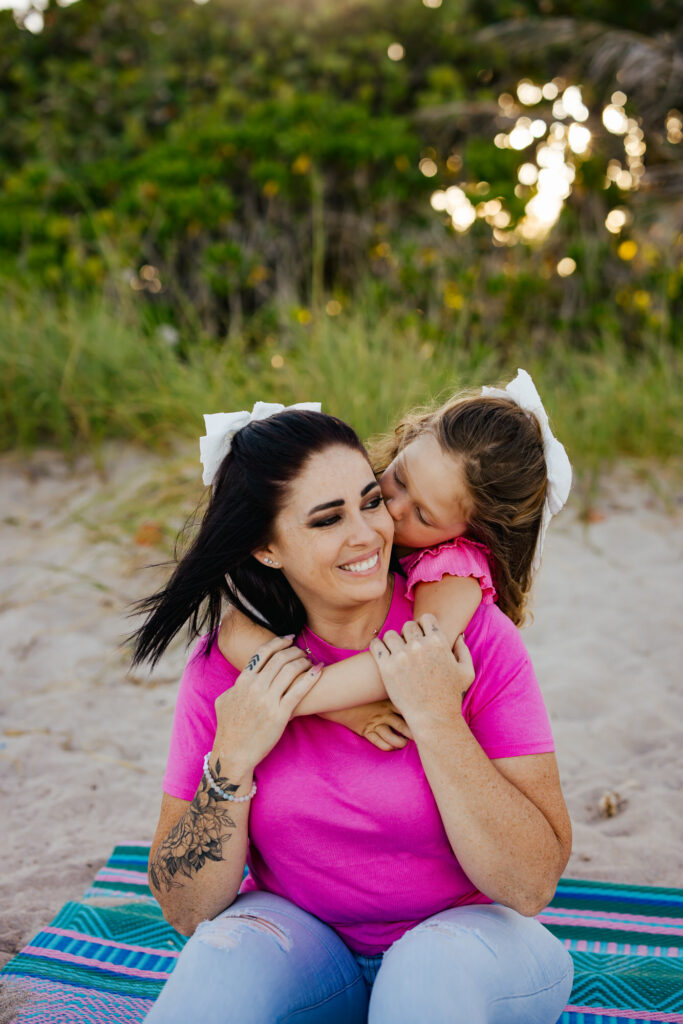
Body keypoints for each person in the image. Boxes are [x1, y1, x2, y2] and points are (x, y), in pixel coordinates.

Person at [133, 405, 573, 1023]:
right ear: (266, 546)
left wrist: (438, 719)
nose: (371, 531)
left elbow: (532, 884)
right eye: (327, 519)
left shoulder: (467, 636)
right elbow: (184, 910)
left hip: (472, 942)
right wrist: (230, 759)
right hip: (308, 943)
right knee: (218, 969)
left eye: (369, 502)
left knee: (422, 981)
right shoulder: (228, 666)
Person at [213, 370, 572, 751]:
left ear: (475, 532)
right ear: (408, 438)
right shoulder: (352, 496)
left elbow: (412, 661)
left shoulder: (454, 569)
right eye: (398, 479)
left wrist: (282, 704)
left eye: (423, 515)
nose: (392, 508)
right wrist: (346, 712)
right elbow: (234, 632)